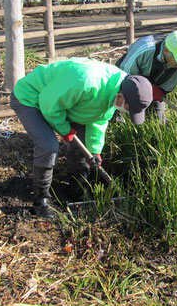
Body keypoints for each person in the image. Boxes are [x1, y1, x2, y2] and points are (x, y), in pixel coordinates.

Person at [10, 57, 153, 219]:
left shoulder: (116, 89)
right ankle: (41, 200)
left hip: (66, 104)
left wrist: (95, 151)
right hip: (31, 99)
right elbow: (49, 105)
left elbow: (99, 120)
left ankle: (77, 189)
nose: (127, 111)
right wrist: (65, 130)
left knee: (82, 147)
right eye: (129, 108)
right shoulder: (86, 81)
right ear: (122, 96)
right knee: (49, 146)